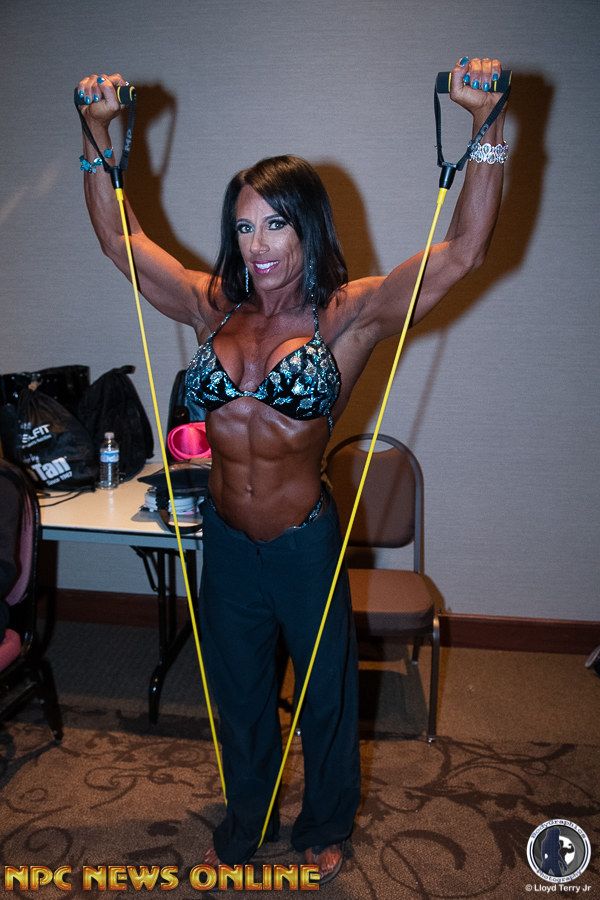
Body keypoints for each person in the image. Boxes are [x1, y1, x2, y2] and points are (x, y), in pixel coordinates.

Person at [76, 56, 508, 882]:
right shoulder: (213, 304)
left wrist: (487, 125)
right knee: (238, 693)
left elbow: (464, 251)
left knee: (324, 696)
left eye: (275, 224)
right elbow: (118, 240)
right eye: (244, 227)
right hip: (226, 539)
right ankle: (248, 817)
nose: (259, 245)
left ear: (307, 224)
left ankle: (326, 819)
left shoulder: (348, 314)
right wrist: (96, 133)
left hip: (305, 542)